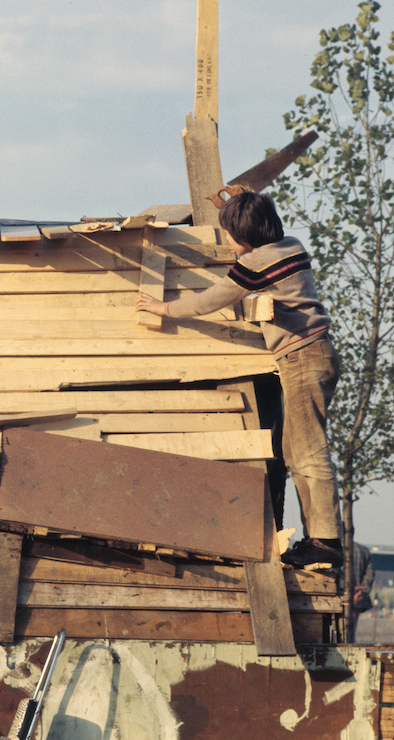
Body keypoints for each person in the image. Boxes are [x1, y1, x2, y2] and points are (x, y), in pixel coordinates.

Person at [136, 190, 343, 569]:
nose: (229, 242)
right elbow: (251, 228)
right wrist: (230, 204)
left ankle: (326, 542)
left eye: (231, 235)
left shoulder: (257, 263)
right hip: (315, 355)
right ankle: (319, 538)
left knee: (309, 451)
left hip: (301, 357)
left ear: (245, 239)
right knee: (295, 449)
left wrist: (164, 308)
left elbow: (211, 299)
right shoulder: (290, 246)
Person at [349, 542, 375, 641]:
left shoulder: (334, 549)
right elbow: (370, 573)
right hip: (357, 599)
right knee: (351, 633)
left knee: (335, 633)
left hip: (338, 599)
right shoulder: (364, 550)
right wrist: (362, 591)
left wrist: (348, 590)